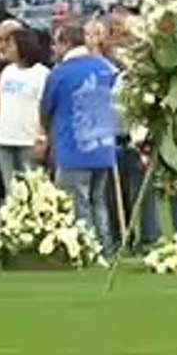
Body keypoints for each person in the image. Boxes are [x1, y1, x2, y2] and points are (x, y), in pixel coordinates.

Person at [40, 22, 120, 255]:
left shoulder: (60, 73)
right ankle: (105, 246)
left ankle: (87, 247)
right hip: (104, 144)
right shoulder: (104, 67)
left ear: (66, 43)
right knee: (98, 199)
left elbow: (46, 108)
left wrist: (47, 134)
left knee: (77, 200)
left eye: (56, 42)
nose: (54, 48)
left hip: (73, 146)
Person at [0, 29, 50, 188]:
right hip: (5, 138)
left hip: (29, 140)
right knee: (10, 189)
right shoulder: (7, 71)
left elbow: (43, 107)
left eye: (10, 44)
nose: (6, 48)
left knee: (32, 187)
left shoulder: (42, 73)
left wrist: (42, 138)